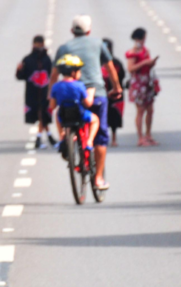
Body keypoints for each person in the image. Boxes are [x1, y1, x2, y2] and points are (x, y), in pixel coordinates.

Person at [49, 15, 120, 190]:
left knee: (66, 116)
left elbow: (53, 76)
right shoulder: (98, 44)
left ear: (72, 31)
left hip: (68, 97)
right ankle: (98, 179)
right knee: (100, 138)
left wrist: (52, 95)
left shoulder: (64, 48)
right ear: (89, 31)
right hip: (96, 94)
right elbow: (110, 68)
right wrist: (117, 88)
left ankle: (67, 137)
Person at [50, 55, 99, 155]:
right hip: (79, 115)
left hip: (64, 116)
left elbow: (52, 106)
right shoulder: (79, 85)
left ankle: (62, 135)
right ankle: (90, 141)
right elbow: (87, 104)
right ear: (73, 72)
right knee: (95, 120)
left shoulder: (56, 86)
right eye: (79, 70)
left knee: (56, 113)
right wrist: (91, 93)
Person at [16, 35, 56, 149]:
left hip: (45, 93)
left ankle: (43, 137)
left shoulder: (47, 59)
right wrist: (19, 70)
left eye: (40, 44)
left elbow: (52, 75)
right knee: (39, 115)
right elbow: (21, 76)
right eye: (37, 44)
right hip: (32, 93)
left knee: (43, 115)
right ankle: (46, 137)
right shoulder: (27, 59)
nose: (39, 46)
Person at [126, 28, 160, 147]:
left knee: (150, 110)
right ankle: (140, 137)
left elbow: (148, 66)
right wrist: (144, 63)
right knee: (140, 110)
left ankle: (148, 135)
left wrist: (151, 64)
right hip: (138, 82)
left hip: (147, 82)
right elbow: (130, 68)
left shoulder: (146, 50)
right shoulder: (133, 52)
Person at [102, 38, 126, 147]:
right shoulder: (97, 62)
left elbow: (122, 75)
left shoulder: (116, 63)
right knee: (101, 115)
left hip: (115, 94)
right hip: (101, 93)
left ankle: (114, 138)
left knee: (114, 118)